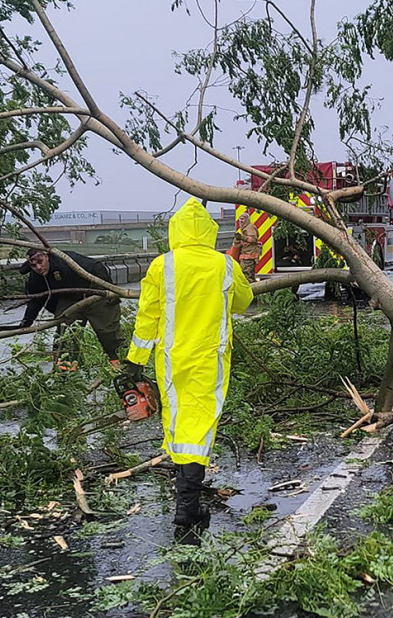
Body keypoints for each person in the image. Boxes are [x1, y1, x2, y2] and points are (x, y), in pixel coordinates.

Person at [124, 199, 253, 532]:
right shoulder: (224, 265)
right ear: (208, 231)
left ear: (176, 231)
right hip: (210, 359)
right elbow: (243, 302)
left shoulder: (162, 265)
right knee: (199, 426)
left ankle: (186, 502)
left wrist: (135, 361)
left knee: (179, 424)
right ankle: (188, 508)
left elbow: (147, 316)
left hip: (171, 360)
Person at [19, 248, 123, 371]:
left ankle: (119, 364)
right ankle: (65, 369)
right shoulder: (36, 277)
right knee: (65, 334)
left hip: (94, 292)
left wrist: (109, 291)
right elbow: (36, 301)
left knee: (107, 331)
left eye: (40, 262)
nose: (39, 267)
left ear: (47, 256)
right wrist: (26, 322)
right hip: (69, 298)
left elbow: (96, 266)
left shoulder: (66, 260)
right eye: (34, 265)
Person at [230, 212, 261, 281]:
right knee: (248, 274)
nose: (241, 221)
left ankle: (250, 286)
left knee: (246, 274)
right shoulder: (246, 228)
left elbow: (253, 239)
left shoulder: (249, 228)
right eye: (240, 219)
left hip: (249, 255)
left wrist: (242, 237)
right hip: (246, 254)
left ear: (247, 219)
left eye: (243, 219)